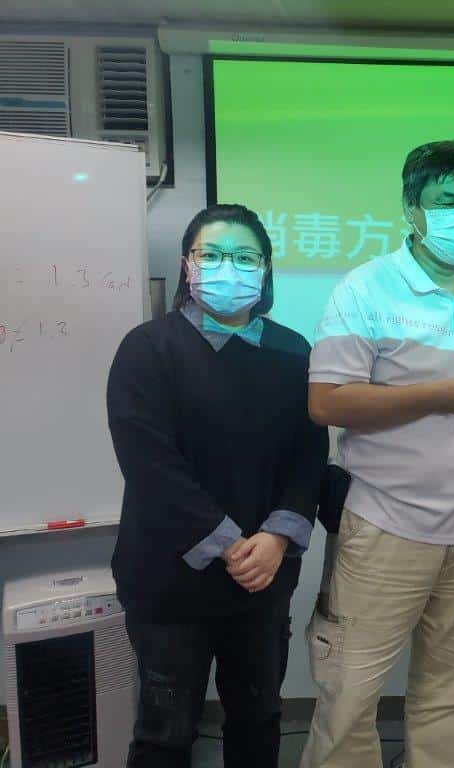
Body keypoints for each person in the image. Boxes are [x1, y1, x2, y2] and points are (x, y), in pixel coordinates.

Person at [300, 139, 454, 768]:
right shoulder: (365, 288)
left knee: (452, 693)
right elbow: (326, 401)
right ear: (411, 208)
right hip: (385, 523)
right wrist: (437, 396)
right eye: (446, 201)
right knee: (349, 695)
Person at [107, 204, 328, 768]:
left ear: (266, 268)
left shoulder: (292, 351)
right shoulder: (147, 347)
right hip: (168, 582)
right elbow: (149, 465)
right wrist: (229, 544)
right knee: (164, 736)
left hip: (262, 581)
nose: (229, 268)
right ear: (188, 264)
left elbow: (309, 456)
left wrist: (277, 538)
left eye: (245, 256)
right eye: (213, 254)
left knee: (259, 721)